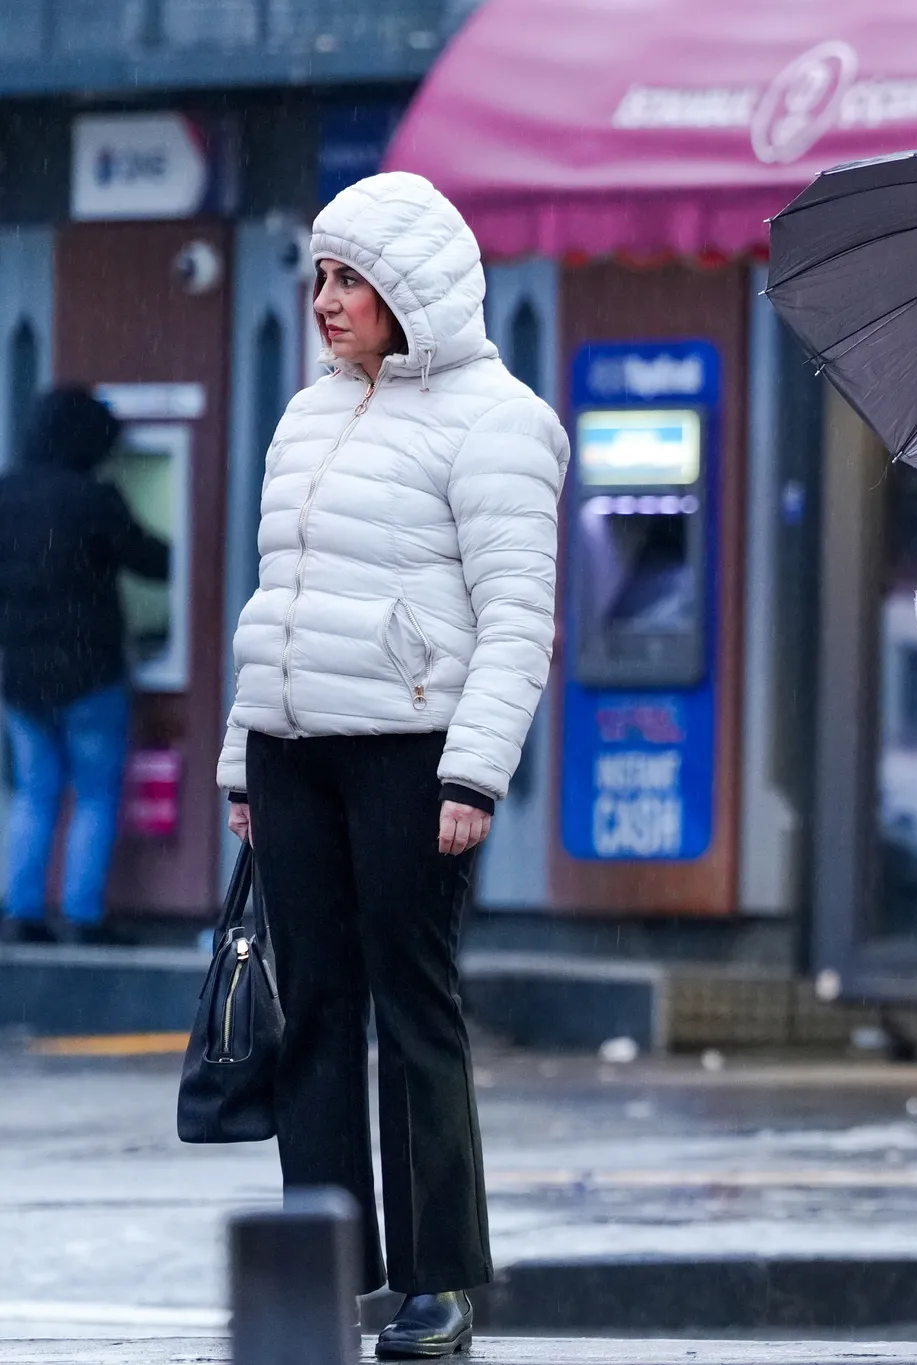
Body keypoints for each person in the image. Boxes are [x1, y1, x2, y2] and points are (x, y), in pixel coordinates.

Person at [218, 172, 567, 1359]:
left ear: (408, 290)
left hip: (413, 754)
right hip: (291, 750)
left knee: (416, 1010)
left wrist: (472, 776)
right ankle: (331, 1268)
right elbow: (277, 596)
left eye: (350, 278)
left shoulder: (499, 419)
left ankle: (439, 1281)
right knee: (313, 1010)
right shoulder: (310, 411)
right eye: (318, 275)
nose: (325, 300)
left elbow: (519, 615)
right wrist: (237, 758)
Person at [0, 388, 169, 945]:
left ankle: (23, 914)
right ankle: (83, 914)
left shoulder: (7, 495)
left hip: (20, 673)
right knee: (94, 793)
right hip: (89, 670)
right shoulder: (95, 498)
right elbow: (155, 562)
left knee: (34, 790)